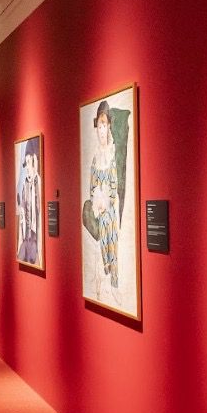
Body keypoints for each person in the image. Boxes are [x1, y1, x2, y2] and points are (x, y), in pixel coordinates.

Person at [84, 101, 122, 303]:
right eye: (99, 126)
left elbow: (114, 186)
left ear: (109, 127)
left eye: (104, 125)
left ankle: (114, 283)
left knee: (111, 244)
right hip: (98, 212)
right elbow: (92, 187)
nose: (101, 130)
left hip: (109, 212)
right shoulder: (95, 158)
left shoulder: (112, 154)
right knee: (100, 248)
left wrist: (106, 202)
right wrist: (96, 202)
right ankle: (103, 283)